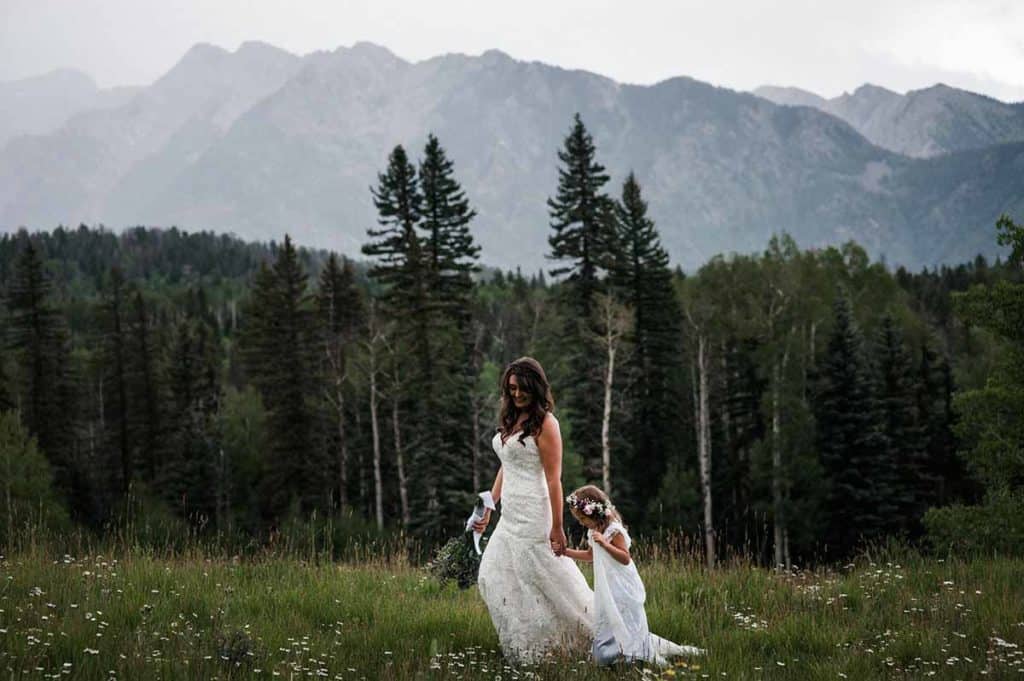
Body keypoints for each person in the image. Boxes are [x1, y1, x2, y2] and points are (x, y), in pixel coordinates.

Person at [473, 357, 593, 664]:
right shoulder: (512, 418)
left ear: (535, 387)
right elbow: (507, 464)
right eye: (511, 388)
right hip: (510, 514)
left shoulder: (546, 424)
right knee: (491, 574)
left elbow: (554, 481)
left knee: (540, 578)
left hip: (534, 513)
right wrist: (490, 503)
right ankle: (525, 642)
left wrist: (557, 527)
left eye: (522, 388)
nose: (516, 394)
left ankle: (567, 642)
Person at [563, 485, 704, 667]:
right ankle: (611, 653)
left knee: (626, 617)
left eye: (582, 518)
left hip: (621, 583)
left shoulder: (614, 530)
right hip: (606, 585)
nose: (581, 523)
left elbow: (625, 558)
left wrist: (605, 544)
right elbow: (591, 556)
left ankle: (635, 654)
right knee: (609, 616)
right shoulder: (593, 530)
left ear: (594, 512)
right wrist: (566, 553)